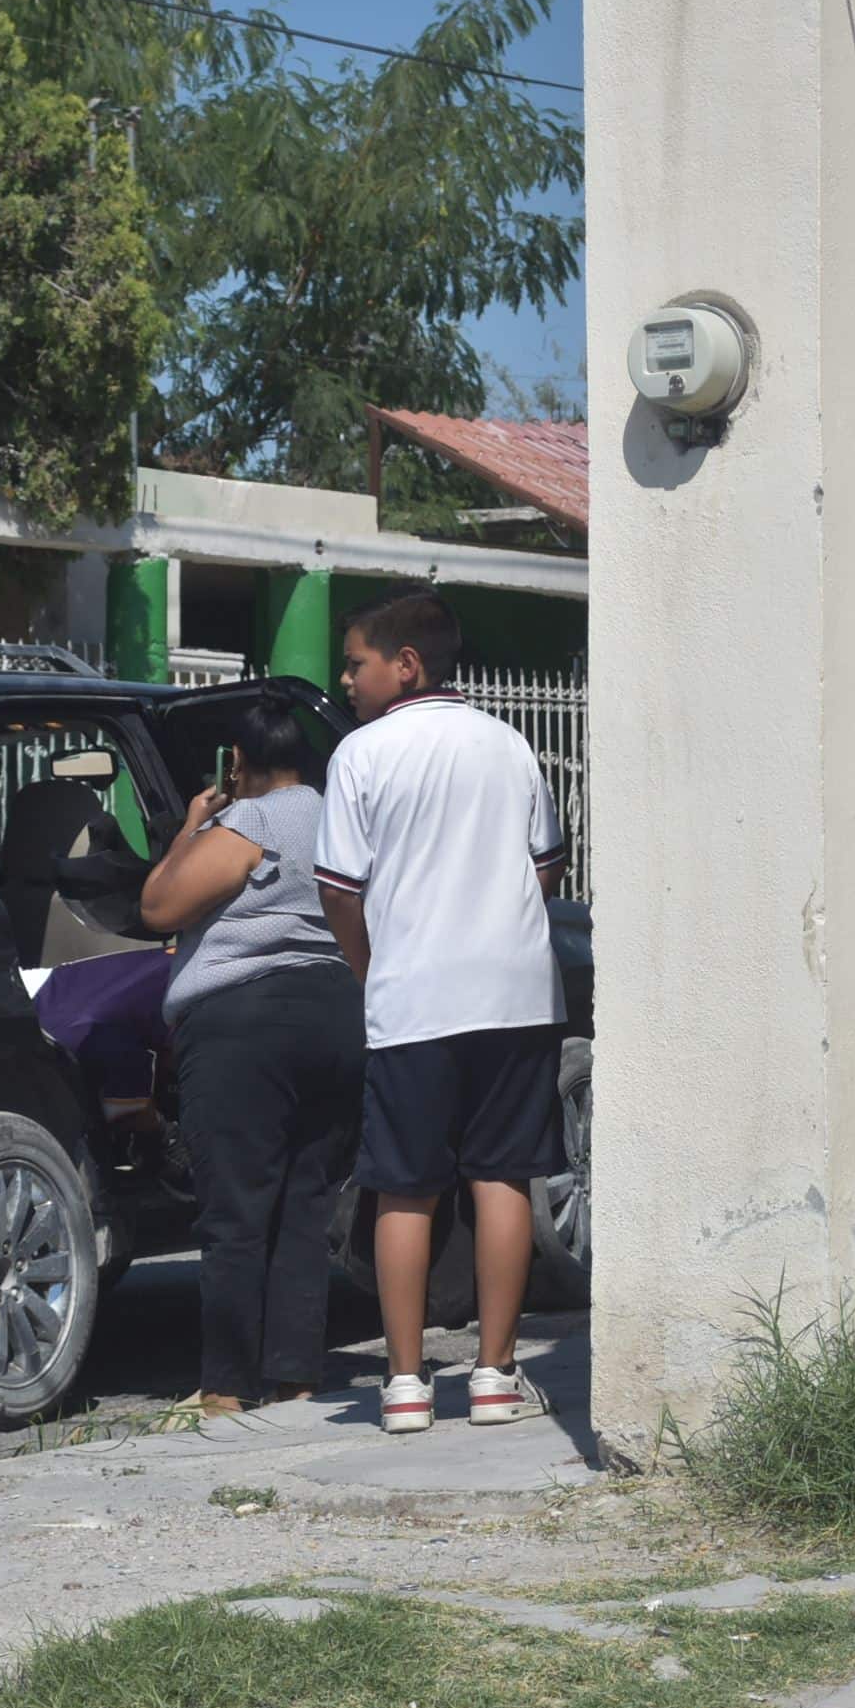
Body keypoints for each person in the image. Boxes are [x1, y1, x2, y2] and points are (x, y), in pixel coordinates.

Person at [314, 588, 568, 1436]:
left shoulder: (361, 754)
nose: (346, 679)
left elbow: (338, 889)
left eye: (355, 662)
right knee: (504, 1178)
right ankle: (495, 1375)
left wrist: (369, 968)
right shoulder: (512, 746)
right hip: (514, 995)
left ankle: (404, 1383)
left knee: (405, 1187)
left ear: (405, 664)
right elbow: (544, 867)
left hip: (413, 996)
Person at [137, 698, 364, 1416]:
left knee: (235, 1211)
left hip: (244, 1026)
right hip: (338, 1017)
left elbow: (159, 907)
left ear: (238, 763)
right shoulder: (341, 819)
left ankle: (227, 1389)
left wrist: (189, 830)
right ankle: (296, 1379)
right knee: (306, 1206)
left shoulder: (253, 820)